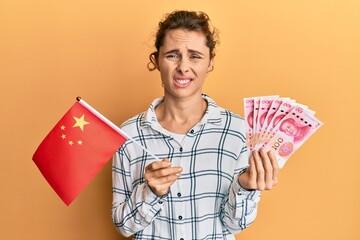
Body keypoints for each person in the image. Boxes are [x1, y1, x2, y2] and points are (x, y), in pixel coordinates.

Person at [112, 10, 280, 240]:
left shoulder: (239, 132)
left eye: (195, 56)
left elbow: (235, 224)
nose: (183, 67)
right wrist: (150, 192)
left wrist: (246, 187)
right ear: (156, 61)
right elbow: (123, 226)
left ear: (210, 62)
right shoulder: (128, 135)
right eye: (172, 55)